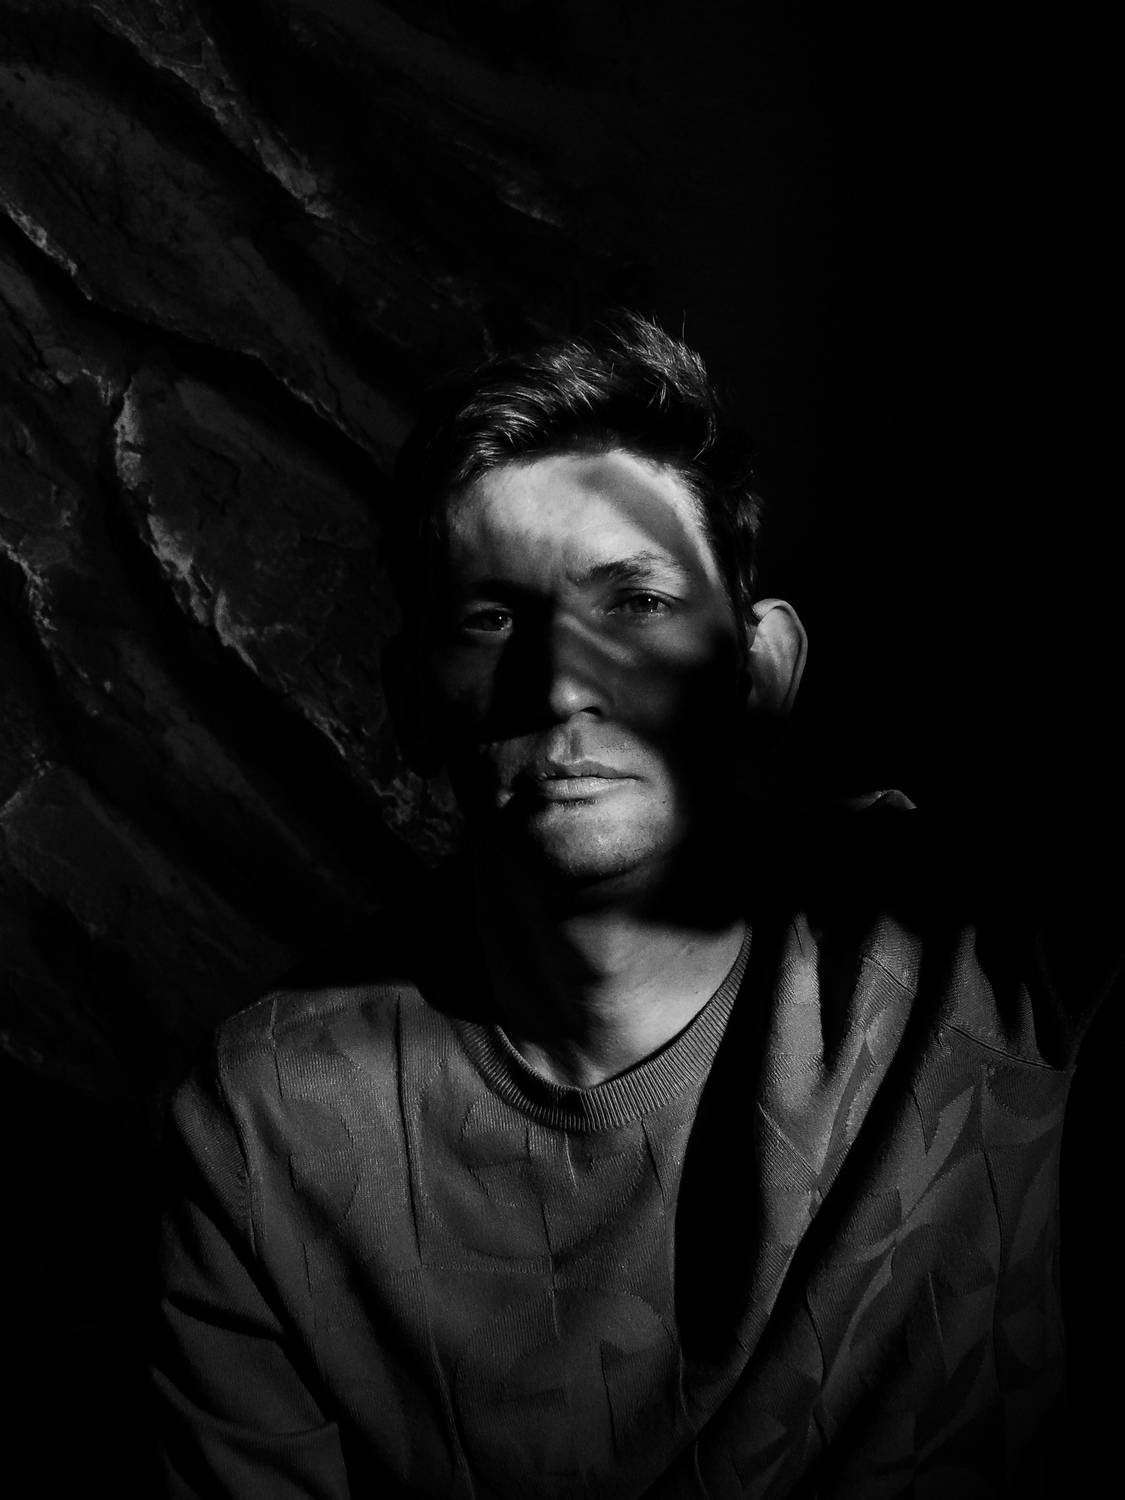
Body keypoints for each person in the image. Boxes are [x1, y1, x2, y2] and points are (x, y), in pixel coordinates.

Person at [151, 314, 1116, 1498]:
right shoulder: (272, 1125)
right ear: (412, 698)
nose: (563, 682)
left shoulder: (968, 940)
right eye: (490, 619)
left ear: (760, 667)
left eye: (637, 602)